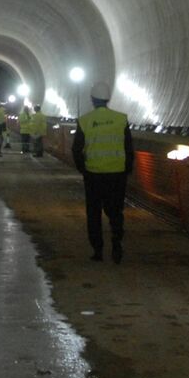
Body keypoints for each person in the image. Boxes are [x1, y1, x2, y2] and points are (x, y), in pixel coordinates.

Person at [71, 82, 133, 263]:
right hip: (117, 174)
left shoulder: (85, 121)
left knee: (94, 213)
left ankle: (98, 250)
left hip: (94, 174)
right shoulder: (121, 119)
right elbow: (128, 148)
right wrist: (127, 169)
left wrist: (83, 169)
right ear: (108, 99)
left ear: (92, 99)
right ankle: (116, 243)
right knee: (115, 211)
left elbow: (77, 149)